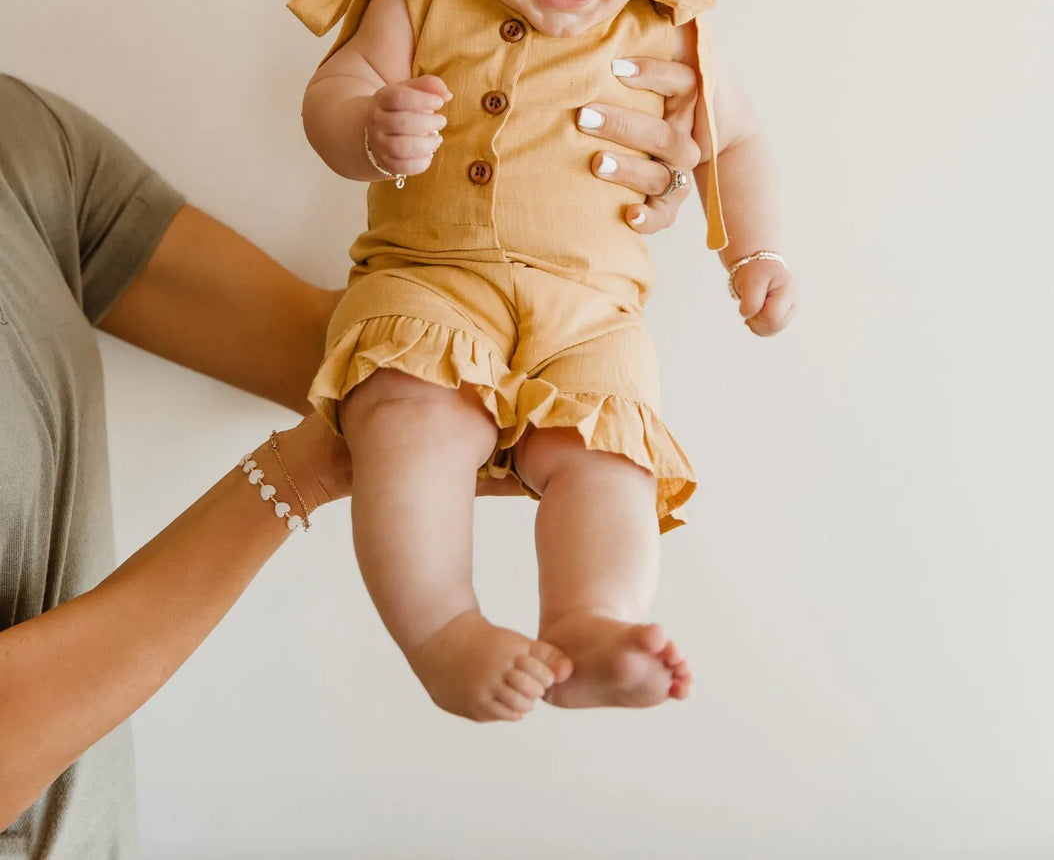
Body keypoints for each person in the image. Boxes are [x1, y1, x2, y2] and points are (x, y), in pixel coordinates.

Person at [0, 57, 698, 857]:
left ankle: (590, 623)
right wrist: (294, 477)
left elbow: (343, 352)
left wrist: (567, 221)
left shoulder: (18, 138)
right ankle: (445, 634)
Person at [288, 0, 797, 725]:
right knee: (407, 418)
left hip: (594, 317)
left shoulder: (669, 21)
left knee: (608, 459)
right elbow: (331, 94)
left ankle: (590, 621)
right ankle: (443, 632)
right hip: (432, 289)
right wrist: (370, 126)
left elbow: (737, 138)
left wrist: (759, 250)